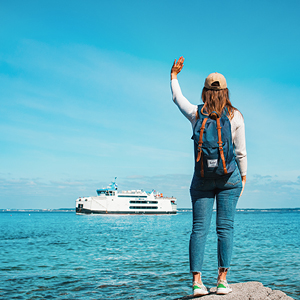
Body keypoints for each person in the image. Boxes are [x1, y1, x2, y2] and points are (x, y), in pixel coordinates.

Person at [170, 57, 247, 296]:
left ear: (205, 92)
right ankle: (222, 281)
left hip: (202, 178)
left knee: (199, 229)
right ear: (225, 92)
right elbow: (241, 152)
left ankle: (196, 283)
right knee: (225, 228)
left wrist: (173, 76)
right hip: (228, 178)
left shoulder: (196, 113)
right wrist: (243, 179)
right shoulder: (235, 116)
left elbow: (177, 99)